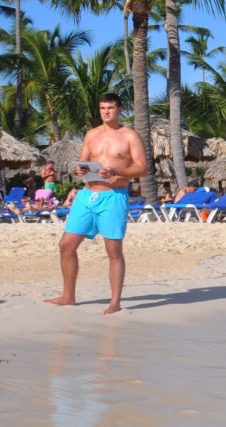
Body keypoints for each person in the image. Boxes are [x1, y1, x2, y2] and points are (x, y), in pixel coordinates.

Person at [42, 93, 147, 315]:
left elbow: (142, 168)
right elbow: (82, 163)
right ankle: (68, 296)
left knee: (113, 250)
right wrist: (79, 169)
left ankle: (115, 302)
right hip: (87, 195)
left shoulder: (130, 136)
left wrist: (116, 170)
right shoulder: (91, 134)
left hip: (113, 195)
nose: (106, 112)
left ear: (120, 110)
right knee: (66, 245)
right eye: (102, 108)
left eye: (110, 108)